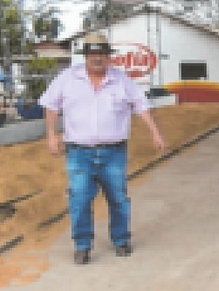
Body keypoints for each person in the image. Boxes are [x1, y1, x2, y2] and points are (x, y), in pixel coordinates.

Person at [39, 32, 166, 265]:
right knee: (79, 199)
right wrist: (51, 135)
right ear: (85, 55)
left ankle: (121, 240)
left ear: (108, 56)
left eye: (101, 53)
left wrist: (154, 132)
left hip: (113, 153)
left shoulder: (121, 80)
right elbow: (50, 104)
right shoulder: (67, 78)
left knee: (118, 198)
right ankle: (82, 245)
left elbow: (140, 104)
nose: (97, 58)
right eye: (92, 53)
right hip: (79, 152)